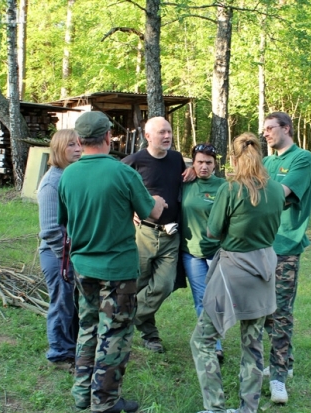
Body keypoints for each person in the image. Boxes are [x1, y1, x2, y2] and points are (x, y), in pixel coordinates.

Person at [58, 111, 167, 413]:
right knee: (114, 333)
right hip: (117, 271)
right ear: (108, 137)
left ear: (79, 140)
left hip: (83, 268)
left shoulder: (68, 175)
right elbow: (151, 212)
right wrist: (157, 201)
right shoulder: (123, 173)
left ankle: (82, 393)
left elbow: (64, 221)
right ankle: (105, 402)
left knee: (88, 327)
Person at [190, 132, 285, 413]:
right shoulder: (277, 189)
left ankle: (215, 407)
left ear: (233, 157)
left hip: (233, 271)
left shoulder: (231, 189)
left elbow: (212, 231)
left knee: (203, 340)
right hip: (265, 269)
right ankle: (248, 409)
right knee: (253, 344)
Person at [122, 116, 195, 353]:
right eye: (161, 132)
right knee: (140, 284)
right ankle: (150, 335)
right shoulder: (134, 161)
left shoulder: (176, 159)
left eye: (169, 131)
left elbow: (185, 183)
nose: (167, 136)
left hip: (171, 234)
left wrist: (193, 170)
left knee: (163, 285)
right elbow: (116, 188)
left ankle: (123, 321)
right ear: (147, 136)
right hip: (143, 233)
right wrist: (130, 208)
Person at [261, 112, 311, 404]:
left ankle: (279, 376)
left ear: (286, 129)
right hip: (261, 243)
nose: (266, 133)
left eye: (271, 128)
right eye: (264, 129)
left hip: (285, 244)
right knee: (266, 309)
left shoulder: (301, 159)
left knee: (280, 311)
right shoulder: (267, 162)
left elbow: (278, 193)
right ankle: (287, 361)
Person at [37, 129, 81, 370]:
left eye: (79, 144)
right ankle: (60, 354)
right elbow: (51, 230)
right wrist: (67, 261)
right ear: (58, 149)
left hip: (72, 253)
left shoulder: (71, 175)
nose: (77, 149)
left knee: (73, 302)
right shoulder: (52, 183)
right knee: (62, 302)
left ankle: (73, 347)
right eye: (71, 145)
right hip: (57, 255)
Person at [180, 143, 225, 362]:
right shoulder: (185, 184)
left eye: (208, 162)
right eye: (199, 162)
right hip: (192, 252)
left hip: (218, 252)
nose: (204, 167)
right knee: (201, 298)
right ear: (193, 163)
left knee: (216, 299)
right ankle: (212, 345)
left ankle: (214, 336)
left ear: (215, 164)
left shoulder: (224, 187)